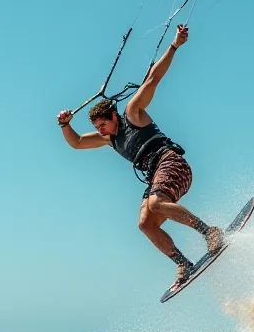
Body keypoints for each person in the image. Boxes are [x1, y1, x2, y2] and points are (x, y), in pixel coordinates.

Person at [57, 24, 223, 289]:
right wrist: (65, 124)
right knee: (145, 224)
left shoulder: (133, 114)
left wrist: (175, 45)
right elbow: (76, 143)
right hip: (155, 176)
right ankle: (182, 263)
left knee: (155, 204)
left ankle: (210, 232)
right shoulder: (108, 139)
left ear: (113, 116)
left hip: (172, 163)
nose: (99, 131)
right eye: (97, 129)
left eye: (102, 125)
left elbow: (152, 80)